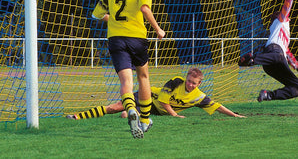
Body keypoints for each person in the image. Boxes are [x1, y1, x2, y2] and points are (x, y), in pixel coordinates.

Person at [91, 0, 165, 139]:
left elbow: (97, 15)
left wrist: (114, 21)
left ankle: (131, 108)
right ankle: (145, 120)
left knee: (126, 81)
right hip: (137, 39)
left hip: (116, 39)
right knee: (143, 76)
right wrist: (158, 29)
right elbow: (145, 9)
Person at [66, 68, 246, 122]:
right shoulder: (176, 81)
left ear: (199, 84)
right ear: (186, 78)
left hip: (157, 111)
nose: (190, 84)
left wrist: (235, 115)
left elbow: (217, 106)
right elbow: (164, 101)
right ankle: (76, 116)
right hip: (150, 97)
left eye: (193, 82)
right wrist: (175, 115)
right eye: (189, 80)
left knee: (125, 113)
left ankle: (131, 114)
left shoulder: (199, 96)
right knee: (116, 107)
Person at [239, 0, 298, 102]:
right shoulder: (280, 21)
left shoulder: (284, 34)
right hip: (272, 54)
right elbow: (288, 4)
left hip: (273, 63)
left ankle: (268, 95)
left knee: (296, 88)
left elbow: (288, 54)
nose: (284, 14)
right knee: (278, 55)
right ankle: (252, 59)